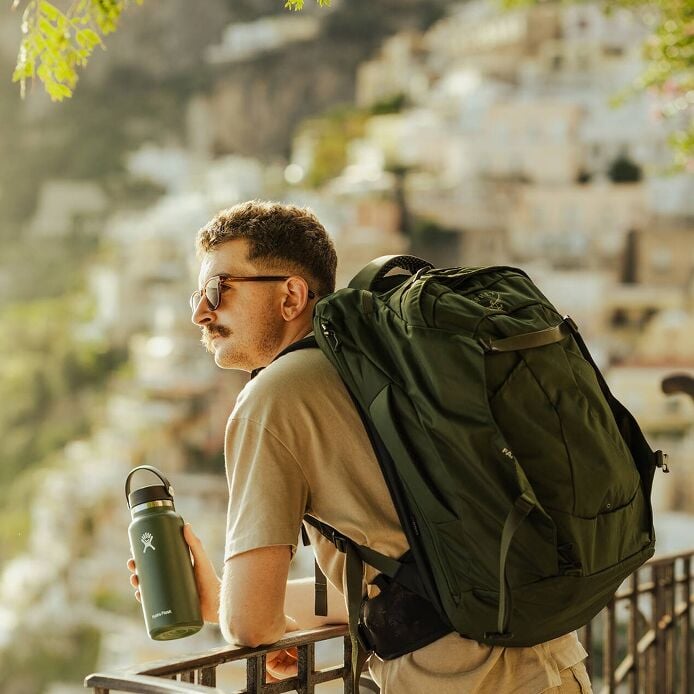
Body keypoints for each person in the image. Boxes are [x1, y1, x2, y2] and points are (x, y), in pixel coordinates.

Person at [128, 200, 593, 692]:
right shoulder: (372, 365)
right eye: (198, 295)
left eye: (218, 290)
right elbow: (404, 579)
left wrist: (240, 610)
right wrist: (220, 599)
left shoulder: (272, 397)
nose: (200, 313)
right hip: (548, 664)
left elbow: (250, 626)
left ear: (291, 296)